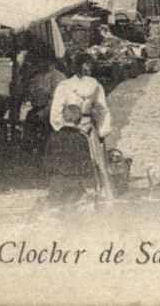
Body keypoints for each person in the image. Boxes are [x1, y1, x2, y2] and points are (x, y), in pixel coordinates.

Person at [47, 50, 114, 200]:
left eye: (89, 65)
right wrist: (102, 130)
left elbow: (56, 113)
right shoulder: (84, 86)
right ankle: (90, 194)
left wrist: (62, 130)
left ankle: (86, 195)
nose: (88, 68)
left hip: (80, 127)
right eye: (86, 65)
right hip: (81, 127)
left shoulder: (67, 87)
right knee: (88, 161)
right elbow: (102, 109)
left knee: (82, 161)